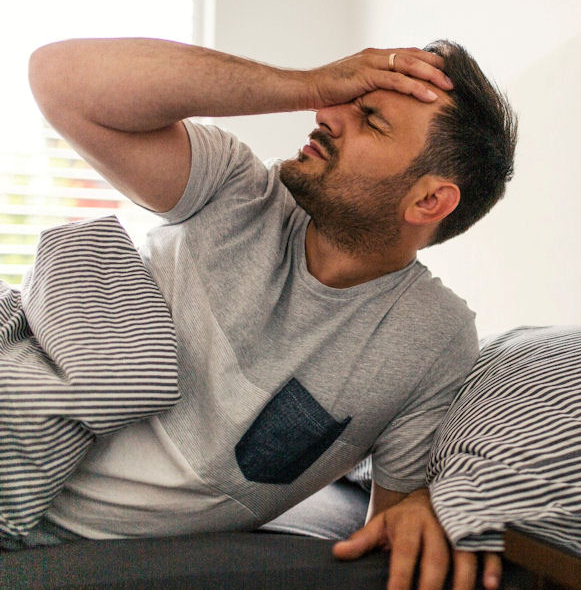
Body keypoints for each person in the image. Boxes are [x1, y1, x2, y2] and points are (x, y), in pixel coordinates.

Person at [21, 37, 517, 590]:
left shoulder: (432, 337)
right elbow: (57, 78)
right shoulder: (235, 189)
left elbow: (387, 529)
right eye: (340, 99)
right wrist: (307, 80)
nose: (326, 114)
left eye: (370, 119)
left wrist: (430, 502)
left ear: (429, 201)